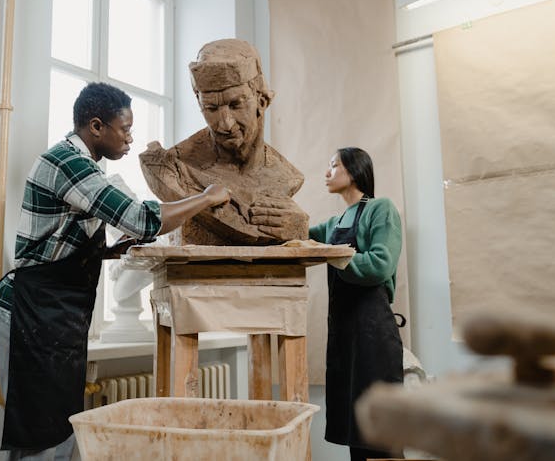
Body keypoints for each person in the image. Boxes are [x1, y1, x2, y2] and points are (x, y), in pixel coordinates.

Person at [0, 82, 230, 460]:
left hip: (52, 319)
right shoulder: (68, 164)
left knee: (51, 436)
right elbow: (140, 219)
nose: (130, 138)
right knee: (45, 440)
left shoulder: (83, 167)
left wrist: (111, 251)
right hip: (30, 315)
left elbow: (60, 244)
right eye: (125, 129)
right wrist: (205, 197)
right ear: (96, 126)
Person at [140, 38, 308, 245]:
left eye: (236, 104)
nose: (225, 124)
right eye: (211, 108)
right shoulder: (174, 166)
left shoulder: (288, 177)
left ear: (261, 102)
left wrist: (300, 229)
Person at [308, 147, 404, 461]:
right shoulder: (335, 223)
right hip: (345, 333)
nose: (327, 172)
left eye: (333, 165)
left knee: (381, 434)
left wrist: (331, 254)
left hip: (372, 331)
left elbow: (379, 265)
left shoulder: (381, 209)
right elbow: (301, 235)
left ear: (354, 170)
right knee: (357, 431)